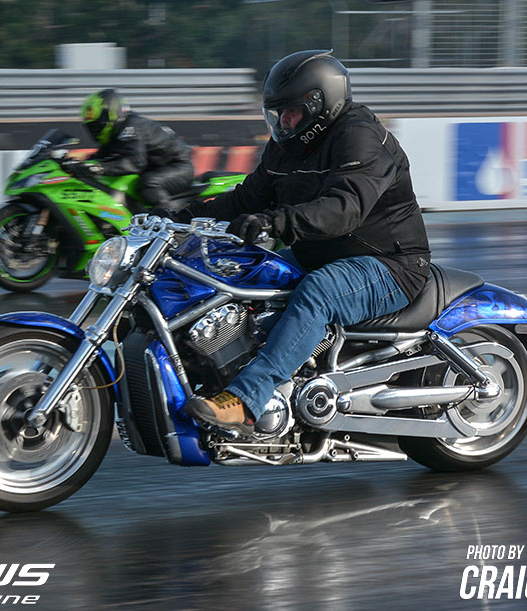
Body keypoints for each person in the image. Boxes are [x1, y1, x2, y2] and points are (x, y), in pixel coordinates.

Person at [171, 50, 432, 434]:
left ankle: (247, 399)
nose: (283, 121)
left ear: (320, 104)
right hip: (323, 253)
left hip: (388, 265)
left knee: (319, 292)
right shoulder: (286, 145)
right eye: (277, 113)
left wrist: (276, 221)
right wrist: (180, 217)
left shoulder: (360, 138)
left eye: (291, 112)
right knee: (238, 269)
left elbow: (344, 208)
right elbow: (246, 198)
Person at [78, 88, 195, 207]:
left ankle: (166, 215)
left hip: (179, 167)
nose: (94, 130)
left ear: (109, 115)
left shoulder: (131, 127)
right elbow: (100, 157)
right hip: (157, 167)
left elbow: (135, 163)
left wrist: (98, 168)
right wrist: (79, 165)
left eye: (96, 125)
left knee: (149, 183)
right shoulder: (117, 131)